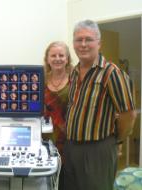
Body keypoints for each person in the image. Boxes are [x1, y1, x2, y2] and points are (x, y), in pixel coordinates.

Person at [64, 20, 136, 190]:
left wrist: (116, 140)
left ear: (99, 43)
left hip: (97, 150)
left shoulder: (112, 73)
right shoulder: (74, 72)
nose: (83, 44)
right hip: (71, 147)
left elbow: (128, 114)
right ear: (73, 43)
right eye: (78, 40)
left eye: (88, 39)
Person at [42, 41, 73, 190]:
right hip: (46, 141)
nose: (57, 58)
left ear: (67, 58)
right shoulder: (40, 81)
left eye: (61, 55)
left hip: (70, 141)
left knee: (67, 182)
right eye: (53, 55)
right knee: (47, 182)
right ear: (47, 59)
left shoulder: (75, 80)